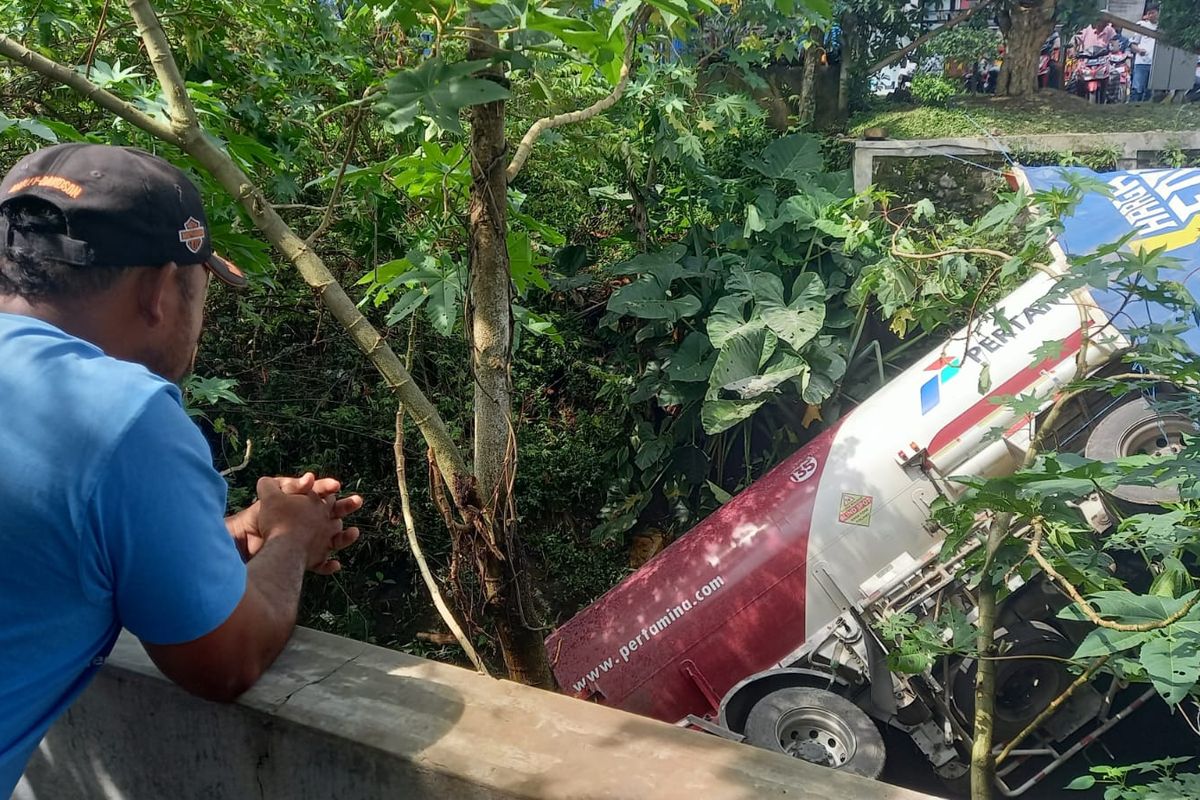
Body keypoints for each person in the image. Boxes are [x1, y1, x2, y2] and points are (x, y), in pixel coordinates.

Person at [0, 143, 362, 795]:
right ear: (162, 288)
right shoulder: (120, 416)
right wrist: (292, 538)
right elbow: (225, 661)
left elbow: (53, 545)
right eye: (202, 290)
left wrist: (232, 529)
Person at [1130, 5, 1159, 102]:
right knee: (1137, 89)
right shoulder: (1141, 25)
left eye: (1153, 13)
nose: (1150, 15)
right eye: (1148, 13)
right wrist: (1139, 50)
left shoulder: (1161, 28)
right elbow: (1133, 44)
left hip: (1155, 64)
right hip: (1142, 62)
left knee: (1149, 91)